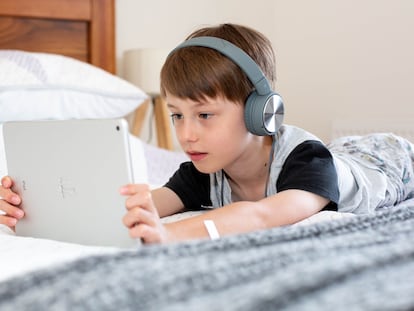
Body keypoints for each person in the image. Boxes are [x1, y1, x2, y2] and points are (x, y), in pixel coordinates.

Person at [1, 23, 414, 244]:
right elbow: (142, 203)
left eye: (205, 115)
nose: (187, 135)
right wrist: (38, 210)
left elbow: (262, 214)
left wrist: (171, 234)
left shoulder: (308, 161)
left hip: (385, 158)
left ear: (260, 114)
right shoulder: (201, 169)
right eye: (177, 116)